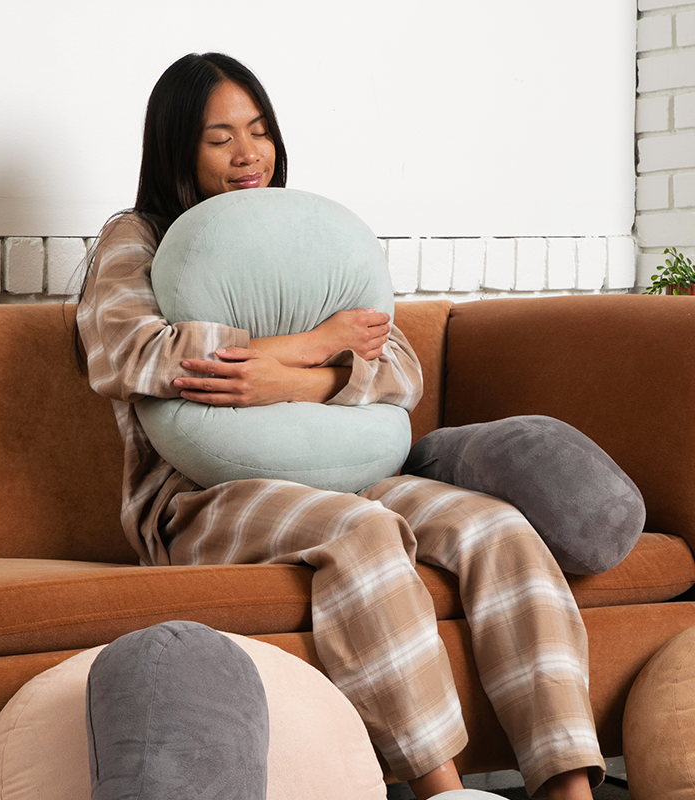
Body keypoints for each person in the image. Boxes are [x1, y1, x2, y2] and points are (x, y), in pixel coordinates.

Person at [75, 52, 605, 800]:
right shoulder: (137, 236)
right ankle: (444, 791)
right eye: (219, 137)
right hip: (199, 498)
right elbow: (129, 353)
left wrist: (305, 376)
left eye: (258, 130)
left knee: (498, 527)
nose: (248, 152)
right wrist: (302, 342)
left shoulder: (304, 238)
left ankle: (569, 788)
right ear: (176, 150)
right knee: (361, 532)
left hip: (347, 466)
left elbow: (400, 368)